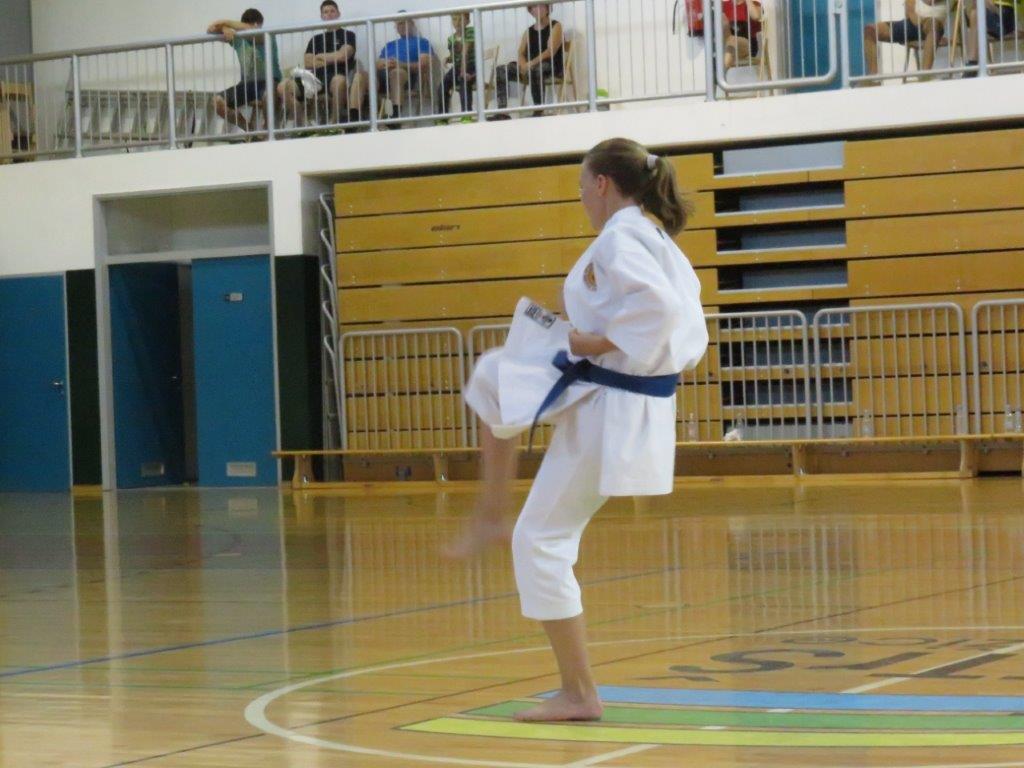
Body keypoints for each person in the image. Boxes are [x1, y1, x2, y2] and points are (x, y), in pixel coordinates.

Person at [447, 138, 709, 723]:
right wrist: (591, 340)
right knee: (494, 375)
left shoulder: (621, 238)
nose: (582, 199)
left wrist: (594, 339)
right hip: (613, 394)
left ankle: (578, 693)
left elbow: (661, 313)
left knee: (540, 541)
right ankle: (491, 511)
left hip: (613, 407)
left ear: (601, 184)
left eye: (582, 188)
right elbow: (675, 319)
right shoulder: (653, 237)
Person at [282, 0, 369, 127]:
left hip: (337, 76)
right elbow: (308, 62)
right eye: (326, 12)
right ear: (322, 16)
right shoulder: (315, 39)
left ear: (338, 14)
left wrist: (320, 57)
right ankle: (302, 123)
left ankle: (334, 124)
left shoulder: (348, 35)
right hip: (314, 78)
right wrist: (333, 57)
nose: (329, 14)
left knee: (338, 81)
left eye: (332, 11)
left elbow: (343, 56)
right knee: (284, 86)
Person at [207, 9, 283, 134]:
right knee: (217, 101)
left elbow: (251, 31)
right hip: (247, 85)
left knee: (267, 94)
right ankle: (249, 129)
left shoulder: (267, 36)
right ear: (257, 23)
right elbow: (210, 30)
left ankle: (269, 132)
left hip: (269, 81)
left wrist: (225, 22)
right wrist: (224, 28)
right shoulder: (238, 38)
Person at [493, 3, 565, 117]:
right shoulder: (528, 31)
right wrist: (523, 65)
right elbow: (521, 52)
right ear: (530, 11)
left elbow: (550, 51)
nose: (538, 9)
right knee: (501, 69)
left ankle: (539, 110)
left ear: (547, 8)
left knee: (535, 70)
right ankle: (502, 112)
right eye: (534, 7)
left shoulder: (556, 26)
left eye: (541, 6)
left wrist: (530, 64)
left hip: (550, 66)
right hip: (530, 67)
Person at [862, 0, 946, 78]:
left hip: (933, 27)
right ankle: (874, 78)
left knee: (933, 24)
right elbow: (912, 15)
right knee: (870, 30)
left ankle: (925, 76)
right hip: (912, 25)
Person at [377, 16, 436, 119]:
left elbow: (423, 65)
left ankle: (395, 115)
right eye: (399, 24)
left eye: (404, 23)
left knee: (397, 72)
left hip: (408, 76)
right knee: (361, 76)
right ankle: (355, 118)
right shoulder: (390, 45)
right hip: (383, 76)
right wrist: (387, 63)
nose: (402, 26)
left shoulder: (422, 42)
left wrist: (400, 64)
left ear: (412, 24)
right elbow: (378, 64)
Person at [964, 0, 1022, 75]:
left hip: (1004, 12)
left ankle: (972, 66)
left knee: (977, 12)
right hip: (990, 13)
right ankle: (972, 65)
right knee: (975, 13)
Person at [438, 12, 476, 115]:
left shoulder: (471, 31)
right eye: (454, 19)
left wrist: (463, 71)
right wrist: (447, 59)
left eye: (461, 19)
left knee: (464, 82)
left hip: (471, 66)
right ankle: (443, 116)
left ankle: (466, 114)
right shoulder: (451, 39)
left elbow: (465, 52)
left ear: (467, 21)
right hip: (458, 68)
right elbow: (455, 57)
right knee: (443, 85)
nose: (457, 22)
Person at [721, 0, 763, 72]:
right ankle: (721, 71)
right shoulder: (723, 5)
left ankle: (721, 72)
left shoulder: (754, 4)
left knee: (732, 40)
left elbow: (756, 16)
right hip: (727, 44)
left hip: (747, 44)